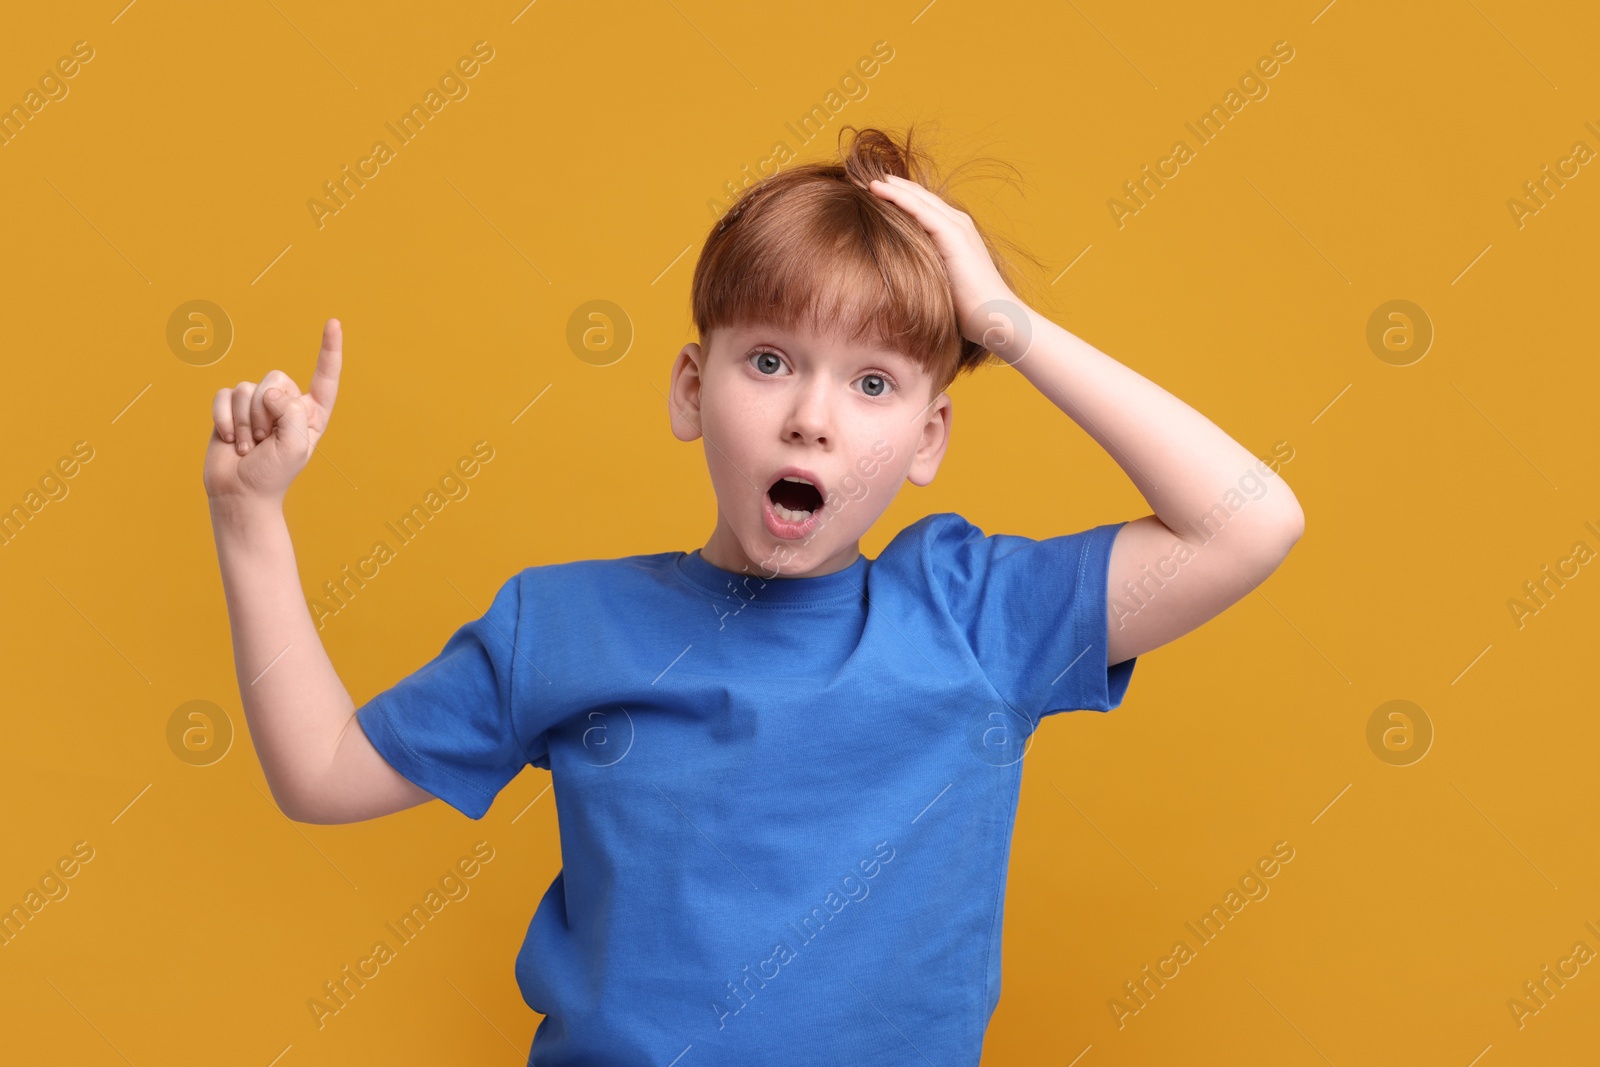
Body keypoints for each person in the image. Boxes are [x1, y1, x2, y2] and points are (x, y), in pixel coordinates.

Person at [203, 124, 1305, 1065]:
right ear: (693, 389)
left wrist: (1007, 326)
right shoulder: (562, 623)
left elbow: (1249, 519)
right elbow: (322, 772)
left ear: (928, 439)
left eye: (872, 383)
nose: (811, 417)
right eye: (770, 361)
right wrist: (252, 521)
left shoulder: (975, 616)